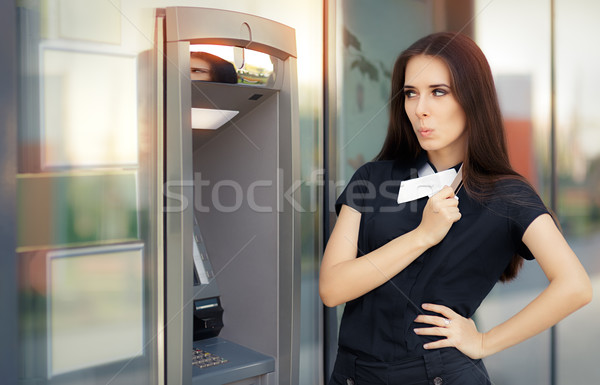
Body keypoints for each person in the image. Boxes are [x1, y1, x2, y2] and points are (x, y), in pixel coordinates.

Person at [320, 32, 592, 384]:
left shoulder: (506, 194)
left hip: (441, 375)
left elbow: (575, 286)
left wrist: (484, 341)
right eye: (411, 94)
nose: (420, 109)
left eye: (438, 92)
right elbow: (331, 288)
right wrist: (422, 236)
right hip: (352, 375)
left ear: (472, 98)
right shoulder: (372, 178)